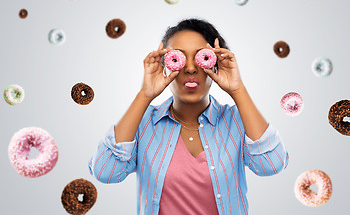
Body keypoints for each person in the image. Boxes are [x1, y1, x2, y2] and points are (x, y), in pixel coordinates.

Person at [89, 18, 289, 215]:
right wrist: (145, 95)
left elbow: (271, 164)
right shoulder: (142, 124)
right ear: (165, 64)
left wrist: (238, 89)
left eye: (202, 57)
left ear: (216, 64)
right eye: (179, 58)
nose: (191, 68)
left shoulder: (236, 120)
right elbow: (106, 171)